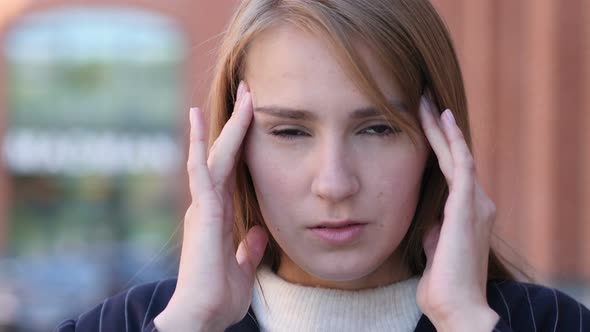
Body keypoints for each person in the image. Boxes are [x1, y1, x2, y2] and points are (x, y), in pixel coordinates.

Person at [55, 0, 590, 331]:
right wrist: (191, 324)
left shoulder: (550, 324)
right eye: (289, 131)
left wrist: (465, 324)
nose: (335, 183)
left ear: (439, 143)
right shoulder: (124, 326)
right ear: (235, 148)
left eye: (377, 128)